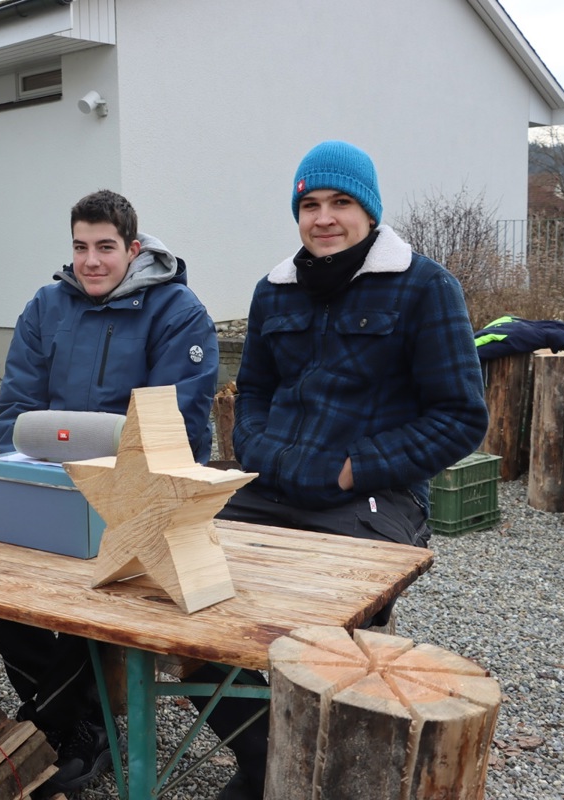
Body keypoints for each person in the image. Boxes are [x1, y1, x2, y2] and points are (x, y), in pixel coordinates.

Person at [197, 141, 490, 800]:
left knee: (315, 630)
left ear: (370, 210)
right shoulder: (274, 290)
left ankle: (311, 761)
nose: (324, 218)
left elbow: (460, 417)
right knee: (183, 592)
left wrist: (355, 470)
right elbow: (254, 393)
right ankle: (269, 759)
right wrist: (257, 449)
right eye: (310, 205)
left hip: (370, 498)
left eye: (341, 202)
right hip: (270, 487)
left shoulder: (425, 288)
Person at [0, 189, 220, 796]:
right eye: (80, 247)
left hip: (141, 502)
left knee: (99, 589)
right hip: (55, 490)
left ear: (133, 250)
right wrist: (39, 471)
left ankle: (59, 723)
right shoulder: (46, 306)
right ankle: (76, 714)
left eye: (105, 247)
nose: (90, 261)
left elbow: (176, 430)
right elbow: (15, 413)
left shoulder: (177, 312)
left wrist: (103, 480)